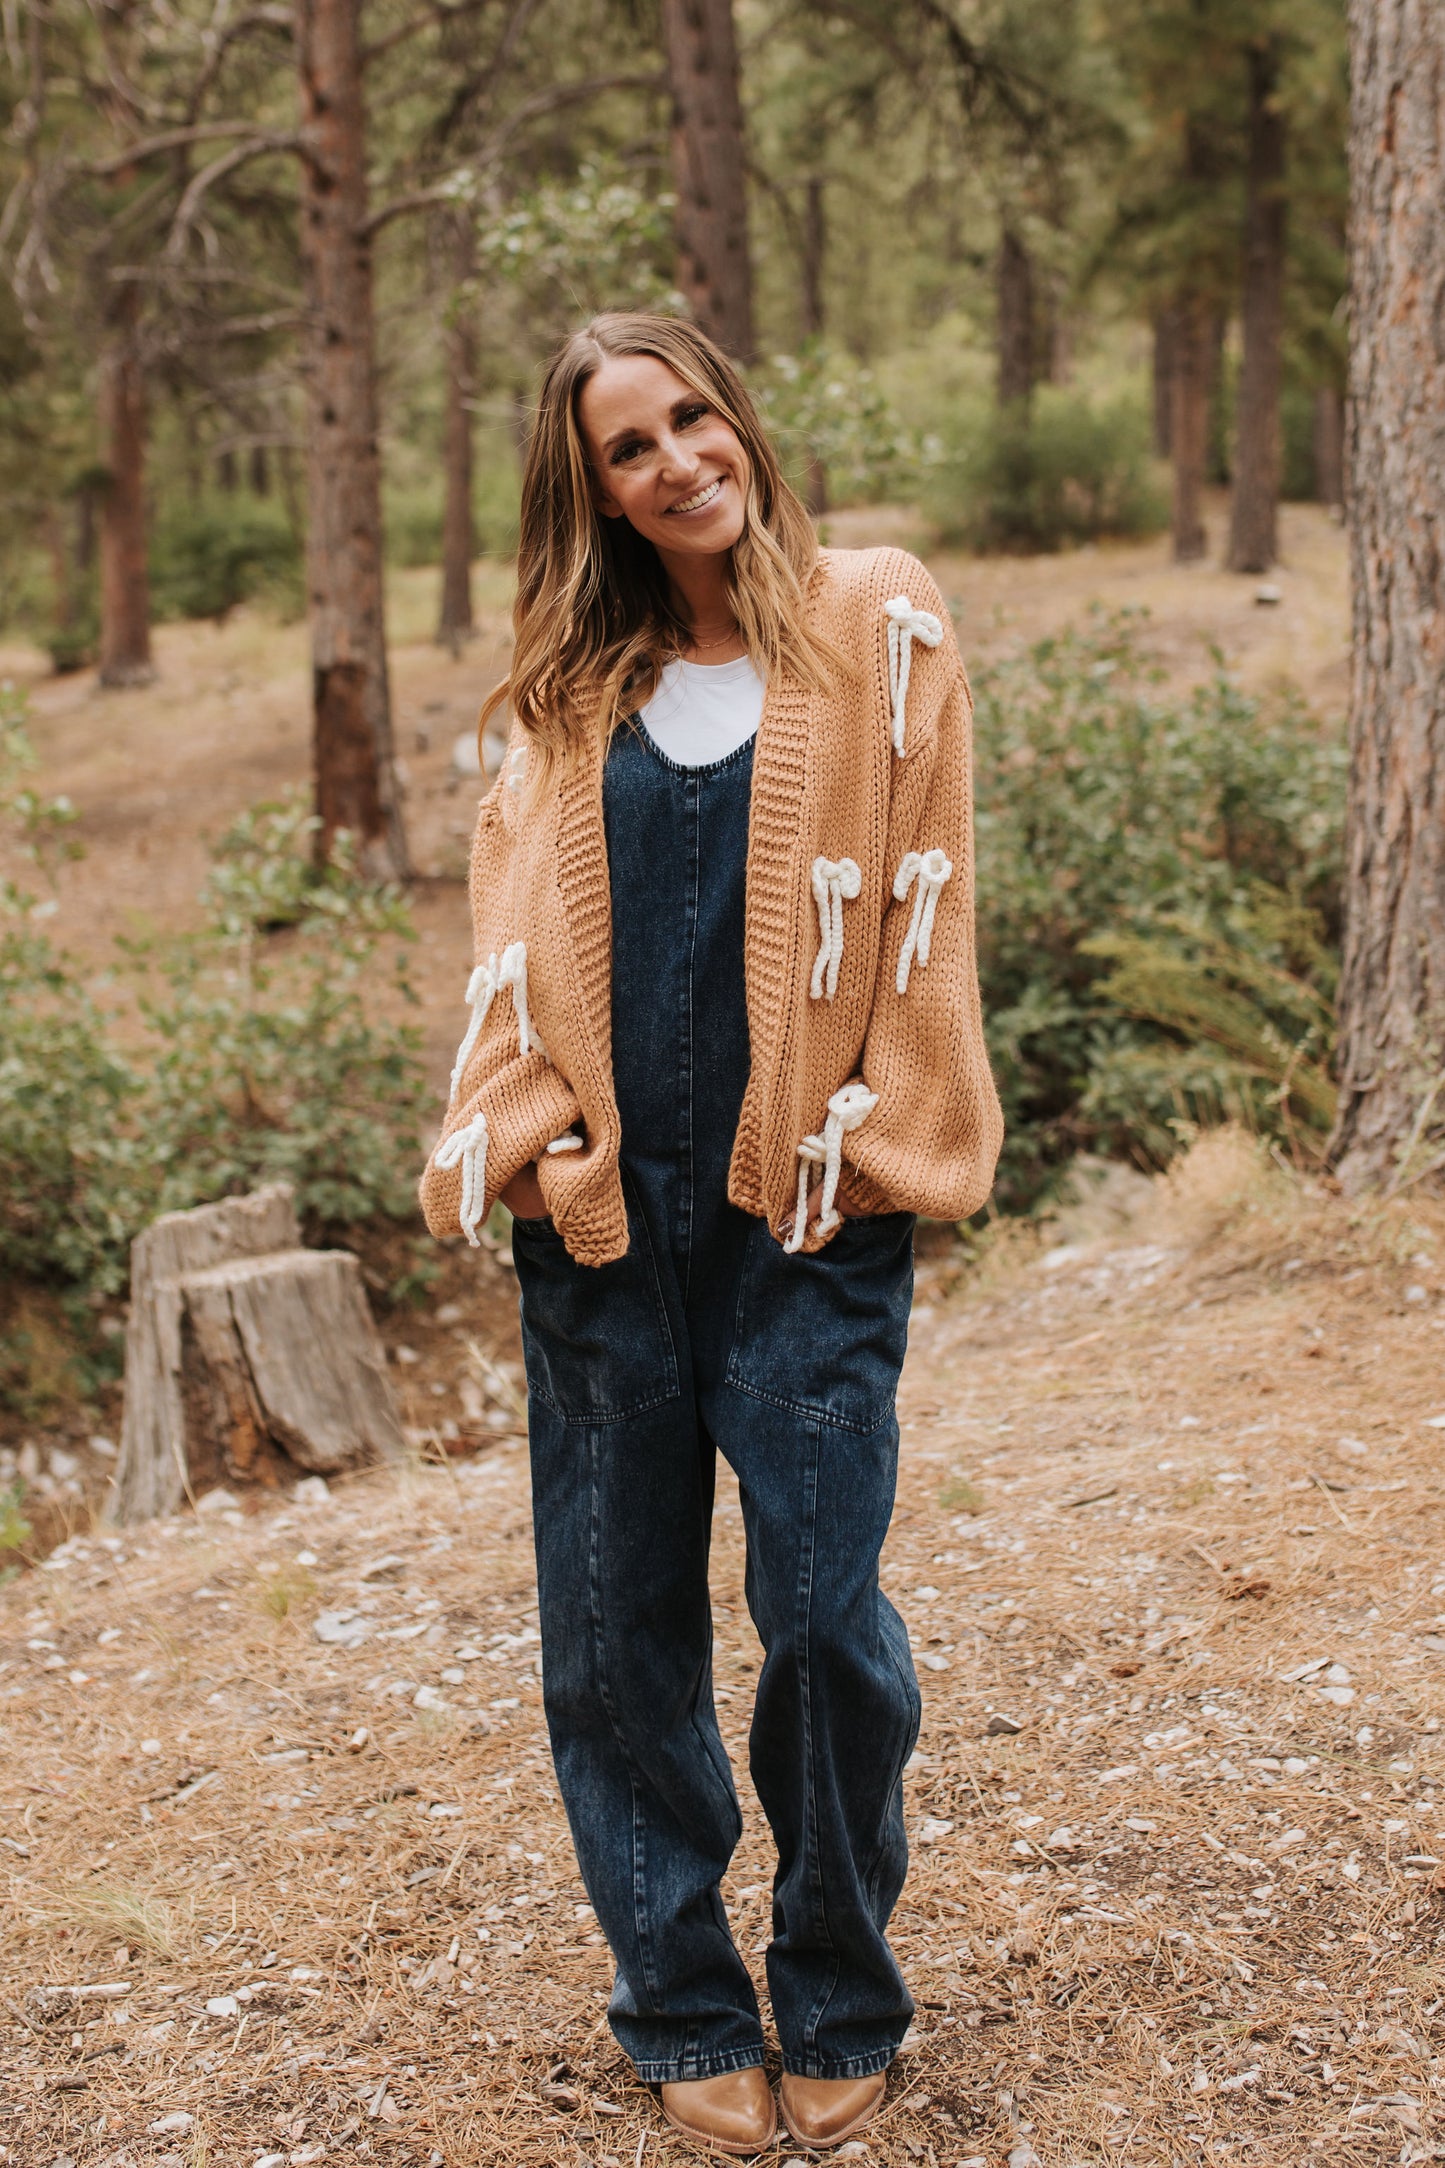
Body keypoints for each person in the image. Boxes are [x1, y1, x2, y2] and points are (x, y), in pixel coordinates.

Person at [420, 311, 1002, 2158]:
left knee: (824, 1622)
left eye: (690, 417)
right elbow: (505, 969)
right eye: (627, 447)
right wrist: (533, 1152)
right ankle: (677, 1997)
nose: (678, 459)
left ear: (737, 417)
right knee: (615, 1643)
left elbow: (924, 927)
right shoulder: (562, 694)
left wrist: (880, 1162)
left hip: (805, 1211)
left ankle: (837, 1988)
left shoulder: (875, 620)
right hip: (603, 1227)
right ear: (586, 490)